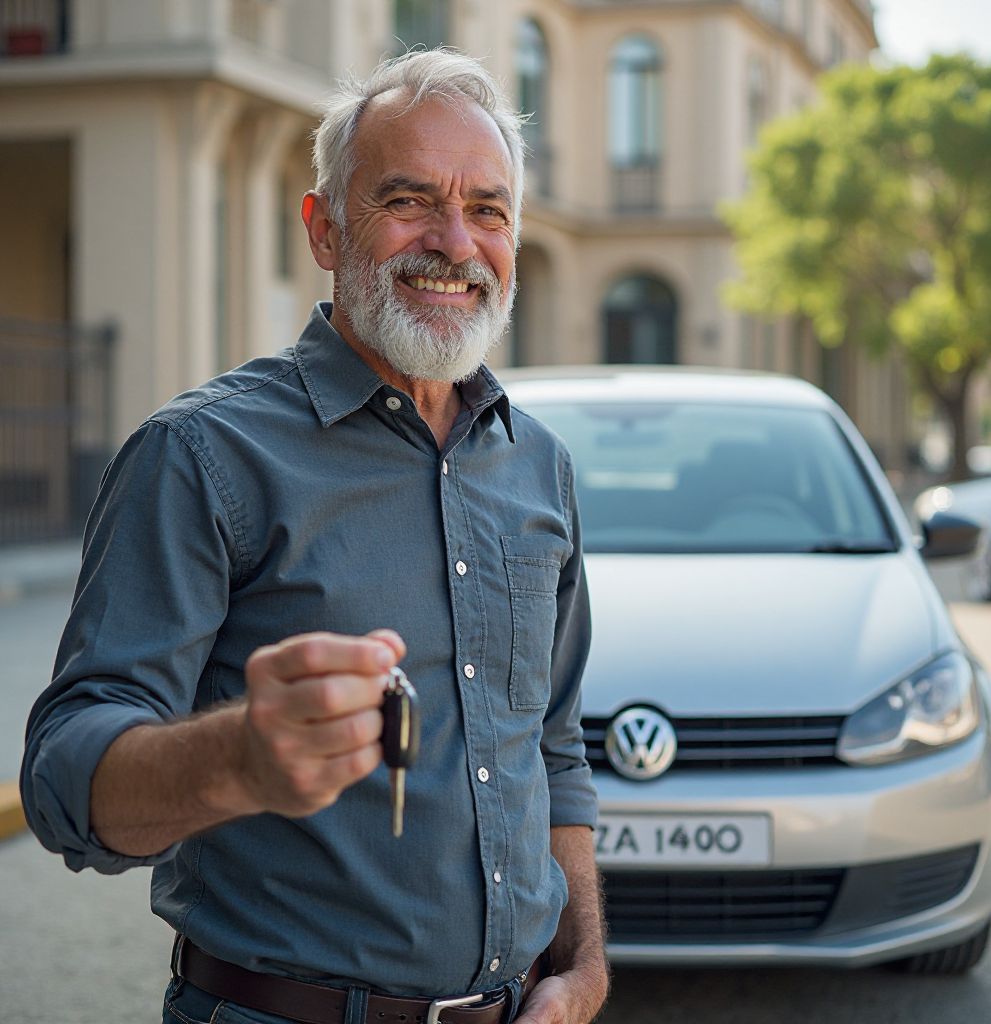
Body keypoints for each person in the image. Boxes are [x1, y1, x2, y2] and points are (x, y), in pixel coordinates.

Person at [20, 49, 608, 1024]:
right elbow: (61, 777)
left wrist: (584, 965)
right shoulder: (201, 454)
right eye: (409, 200)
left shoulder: (536, 463)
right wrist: (239, 759)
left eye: (488, 210)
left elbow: (552, 745)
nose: (455, 243)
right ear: (325, 229)